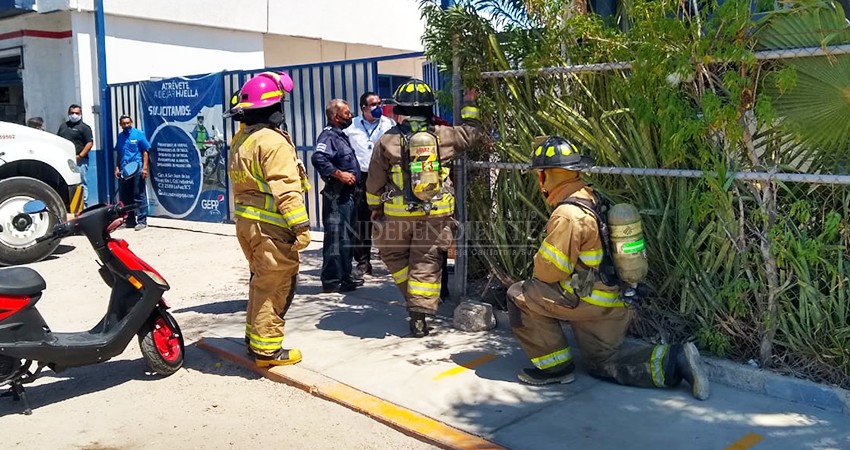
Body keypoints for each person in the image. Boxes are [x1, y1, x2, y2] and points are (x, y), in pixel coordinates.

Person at [506, 135, 710, 400]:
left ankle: (555, 368)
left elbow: (548, 272)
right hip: (613, 302)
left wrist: (538, 257)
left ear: (546, 176)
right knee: (604, 363)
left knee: (518, 295)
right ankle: (676, 360)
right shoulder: (592, 196)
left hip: (585, 301)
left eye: (540, 174)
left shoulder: (568, 214)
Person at [366, 79, 483, 337]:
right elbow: (472, 133)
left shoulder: (387, 140)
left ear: (399, 109)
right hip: (436, 213)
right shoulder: (445, 135)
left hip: (397, 215)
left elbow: (374, 179)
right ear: (430, 108)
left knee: (393, 256)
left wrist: (374, 206)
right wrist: (469, 104)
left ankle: (413, 300)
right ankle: (419, 315)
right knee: (426, 261)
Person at [226, 71, 311, 367]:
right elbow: (285, 188)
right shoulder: (272, 142)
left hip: (248, 226)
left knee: (260, 282)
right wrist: (300, 227)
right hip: (271, 228)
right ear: (275, 108)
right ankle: (267, 350)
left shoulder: (241, 140)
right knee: (275, 286)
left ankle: (254, 339)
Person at [311, 99, 364, 293]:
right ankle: (332, 281)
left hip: (348, 196)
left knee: (346, 239)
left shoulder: (341, 136)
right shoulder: (328, 136)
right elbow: (318, 158)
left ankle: (345, 277)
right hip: (336, 196)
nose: (350, 116)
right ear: (335, 116)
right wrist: (339, 174)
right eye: (347, 113)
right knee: (335, 239)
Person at [344, 91, 395, 279]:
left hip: (386, 178)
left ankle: (390, 258)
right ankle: (363, 263)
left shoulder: (389, 124)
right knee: (362, 222)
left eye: (379, 103)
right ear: (364, 108)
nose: (378, 107)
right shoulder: (351, 126)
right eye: (374, 104)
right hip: (362, 178)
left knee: (389, 219)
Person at [114, 115, 150, 230]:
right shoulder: (120, 137)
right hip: (125, 171)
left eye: (128, 123)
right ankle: (129, 221)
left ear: (131, 122)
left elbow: (145, 152)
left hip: (137, 169)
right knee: (126, 196)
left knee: (139, 195)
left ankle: (142, 221)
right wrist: (117, 167)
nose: (126, 125)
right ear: (120, 124)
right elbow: (119, 153)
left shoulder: (138, 134)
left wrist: (144, 168)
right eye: (124, 124)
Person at [58, 104, 94, 207]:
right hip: (65, 160)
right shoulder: (63, 126)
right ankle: (69, 205)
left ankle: (83, 206)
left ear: (80, 114)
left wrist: (80, 156)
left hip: (79, 161)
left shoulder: (84, 128)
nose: (74, 115)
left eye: (77, 113)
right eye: (72, 113)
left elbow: (89, 143)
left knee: (81, 183)